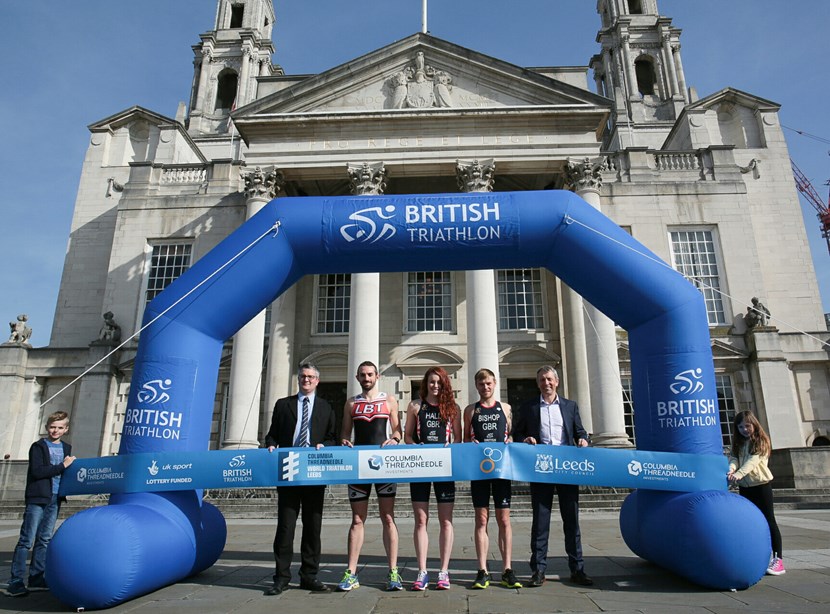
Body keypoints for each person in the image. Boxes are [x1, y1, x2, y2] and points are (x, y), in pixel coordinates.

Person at [513, 365, 594, 588]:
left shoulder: (570, 406)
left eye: (549, 379)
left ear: (556, 381)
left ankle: (577, 569)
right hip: (541, 469)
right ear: (537, 383)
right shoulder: (529, 407)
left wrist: (584, 440)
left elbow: (580, 431)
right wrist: (525, 439)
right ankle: (538, 570)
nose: (545, 383)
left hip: (567, 469)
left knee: (572, 521)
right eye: (541, 380)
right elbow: (517, 433)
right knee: (540, 521)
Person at [264, 363, 336, 595]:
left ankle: (309, 576)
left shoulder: (326, 407)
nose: (306, 380)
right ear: (298, 379)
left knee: (312, 527)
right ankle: (281, 577)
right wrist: (271, 444)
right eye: (303, 376)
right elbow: (272, 434)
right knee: (285, 527)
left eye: (311, 377)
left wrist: (325, 445)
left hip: (314, 473)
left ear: (317, 381)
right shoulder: (283, 405)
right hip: (288, 471)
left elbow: (333, 438)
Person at [338, 361, 403, 592]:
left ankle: (393, 571)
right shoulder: (351, 403)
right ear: (357, 377)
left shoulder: (389, 400)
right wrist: (345, 441)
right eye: (362, 375)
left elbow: (397, 430)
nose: (366, 378)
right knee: (357, 519)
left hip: (384, 465)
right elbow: (345, 433)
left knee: (388, 517)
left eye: (370, 374)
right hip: (358, 467)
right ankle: (351, 572)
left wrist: (394, 439)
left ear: (377, 376)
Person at [462, 368, 521, 590]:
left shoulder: (505, 408)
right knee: (481, 520)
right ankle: (482, 570)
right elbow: (464, 439)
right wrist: (470, 445)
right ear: (476, 386)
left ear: (494, 383)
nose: (485, 387)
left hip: (501, 471)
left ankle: (507, 569)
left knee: (504, 520)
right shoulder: (470, 410)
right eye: (481, 384)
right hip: (479, 472)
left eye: (488, 383)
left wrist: (511, 441)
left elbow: (512, 435)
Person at [404, 366, 462, 591]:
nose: (435, 386)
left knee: (446, 520)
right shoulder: (415, 406)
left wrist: (452, 446)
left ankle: (444, 571)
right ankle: (422, 571)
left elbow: (458, 438)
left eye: (439, 382)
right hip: (420, 467)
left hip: (444, 469)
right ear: (425, 384)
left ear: (444, 384)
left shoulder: (452, 408)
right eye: (431, 382)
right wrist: (415, 446)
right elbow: (408, 436)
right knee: (421, 520)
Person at [6, 410, 75, 597]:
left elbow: (67, 473)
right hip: (38, 496)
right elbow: (38, 471)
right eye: (52, 427)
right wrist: (63, 466)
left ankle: (36, 578)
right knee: (26, 540)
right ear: (46, 427)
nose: (55, 430)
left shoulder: (66, 448)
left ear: (66, 429)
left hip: (55, 497)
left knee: (44, 539)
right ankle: (16, 580)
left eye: (60, 427)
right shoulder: (38, 446)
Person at [727, 411, 785, 575]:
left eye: (747, 426)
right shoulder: (739, 443)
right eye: (740, 427)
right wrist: (731, 469)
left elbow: (753, 462)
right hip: (745, 487)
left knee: (769, 521)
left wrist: (738, 474)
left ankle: (778, 560)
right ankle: (756, 557)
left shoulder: (761, 441)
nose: (744, 429)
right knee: (751, 522)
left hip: (761, 486)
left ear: (754, 424)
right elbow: (734, 458)